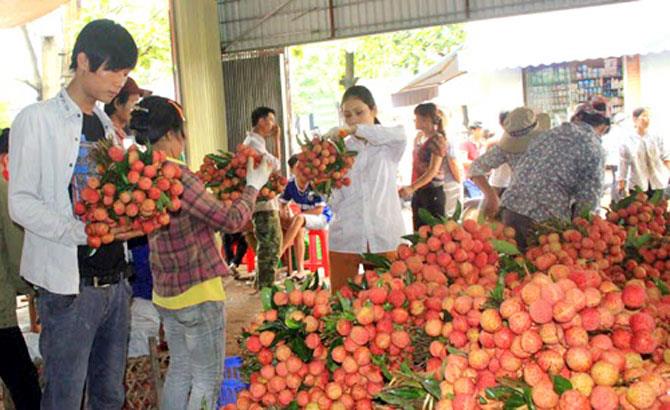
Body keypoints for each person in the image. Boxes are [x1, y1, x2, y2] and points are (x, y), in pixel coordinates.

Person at [9, 19, 143, 409]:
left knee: (109, 395)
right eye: (113, 69)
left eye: (126, 72)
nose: (120, 81)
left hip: (116, 282)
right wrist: (84, 231)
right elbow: (21, 202)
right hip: (70, 288)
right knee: (65, 397)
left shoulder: (108, 128)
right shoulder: (37, 120)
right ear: (83, 60)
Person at [130, 96, 271, 410]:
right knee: (208, 378)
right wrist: (253, 185)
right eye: (182, 133)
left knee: (180, 371)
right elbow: (232, 220)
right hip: (198, 292)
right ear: (170, 134)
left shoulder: (144, 174)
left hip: (166, 294)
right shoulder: (178, 175)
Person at [324, 85, 406, 291]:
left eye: (359, 112)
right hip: (347, 236)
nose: (353, 119)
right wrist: (321, 181)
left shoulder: (388, 145)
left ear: (374, 110)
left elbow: (400, 134)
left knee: (388, 302)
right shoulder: (340, 151)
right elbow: (334, 200)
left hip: (384, 235)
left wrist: (355, 130)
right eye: (347, 116)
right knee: (341, 305)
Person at [500, 97, 610, 250]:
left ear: (576, 117)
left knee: (516, 265)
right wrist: (583, 239)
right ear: (603, 128)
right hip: (543, 222)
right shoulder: (594, 147)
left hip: (510, 210)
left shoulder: (547, 135)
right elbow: (587, 203)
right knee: (539, 270)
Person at [0, 128, 41, 410]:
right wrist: (32, 289)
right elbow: (16, 253)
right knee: (26, 388)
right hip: (0, 315)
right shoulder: (4, 190)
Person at [469, 108, 550, 220]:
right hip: (524, 209)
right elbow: (475, 168)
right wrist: (491, 196)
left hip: (526, 209)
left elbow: (475, 168)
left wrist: (491, 196)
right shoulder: (505, 149)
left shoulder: (552, 144)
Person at [399, 103, 460, 230]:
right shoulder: (421, 138)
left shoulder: (437, 140)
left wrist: (411, 187)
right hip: (421, 190)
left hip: (432, 192)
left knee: (432, 232)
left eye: (416, 118)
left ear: (426, 120)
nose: (414, 121)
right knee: (419, 230)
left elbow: (432, 171)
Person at [243, 107, 282, 291]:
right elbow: (274, 164)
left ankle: (262, 284)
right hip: (262, 203)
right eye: (271, 120)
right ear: (261, 121)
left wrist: (276, 139)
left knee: (269, 244)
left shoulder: (258, 142)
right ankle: (266, 287)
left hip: (266, 201)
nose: (273, 125)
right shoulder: (252, 143)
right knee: (270, 245)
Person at [278, 155, 333, 275]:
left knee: (298, 219)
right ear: (293, 170)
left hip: (322, 218)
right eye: (298, 166)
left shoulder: (314, 183)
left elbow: (319, 210)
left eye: (303, 166)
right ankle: (300, 270)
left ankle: (279, 253)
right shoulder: (291, 185)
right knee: (297, 227)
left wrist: (297, 216)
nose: (302, 169)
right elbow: (281, 203)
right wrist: (283, 212)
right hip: (305, 219)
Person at [618, 108, 670, 197]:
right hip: (638, 184)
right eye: (644, 116)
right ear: (635, 119)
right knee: (640, 209)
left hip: (658, 183)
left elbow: (666, 157)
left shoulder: (656, 136)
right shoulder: (627, 140)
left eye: (648, 116)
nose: (647, 119)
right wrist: (621, 183)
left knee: (659, 209)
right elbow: (623, 163)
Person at [103, 76, 151, 145]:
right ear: (118, 104)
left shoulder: (127, 132)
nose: (137, 109)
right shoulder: (107, 133)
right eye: (133, 103)